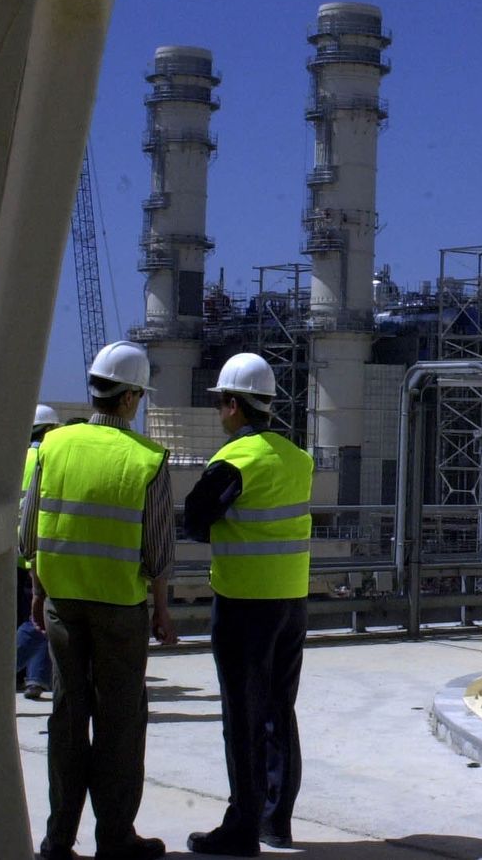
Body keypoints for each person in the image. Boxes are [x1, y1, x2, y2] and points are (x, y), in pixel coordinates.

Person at [18, 341, 178, 860]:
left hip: (63, 603)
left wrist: (38, 591)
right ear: (129, 397)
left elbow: (29, 534)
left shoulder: (53, 446)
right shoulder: (146, 459)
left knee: (68, 717)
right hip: (119, 609)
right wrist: (161, 609)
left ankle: (58, 839)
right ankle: (115, 837)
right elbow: (158, 552)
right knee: (120, 722)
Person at [184, 353, 314, 857]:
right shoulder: (297, 458)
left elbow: (195, 519)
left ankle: (241, 828)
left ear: (234, 405)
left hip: (244, 603)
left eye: (221, 403)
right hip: (292, 600)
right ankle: (275, 821)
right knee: (280, 711)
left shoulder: (235, 460)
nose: (220, 412)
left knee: (242, 716)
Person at [17, 403, 61, 700]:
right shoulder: (48, 458)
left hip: (12, 550)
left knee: (22, 615)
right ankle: (35, 678)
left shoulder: (17, 458)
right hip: (37, 550)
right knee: (40, 617)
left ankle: (21, 675)